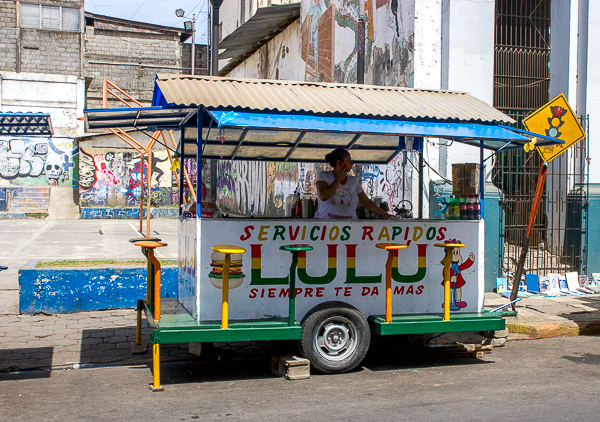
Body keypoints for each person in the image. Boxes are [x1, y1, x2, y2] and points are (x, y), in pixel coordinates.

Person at [314, 148, 389, 220]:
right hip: (326, 224)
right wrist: (338, 179)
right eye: (348, 160)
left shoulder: (353, 180)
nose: (351, 163)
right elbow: (323, 196)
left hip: (349, 225)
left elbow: (367, 202)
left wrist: (386, 214)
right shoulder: (324, 176)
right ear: (339, 163)